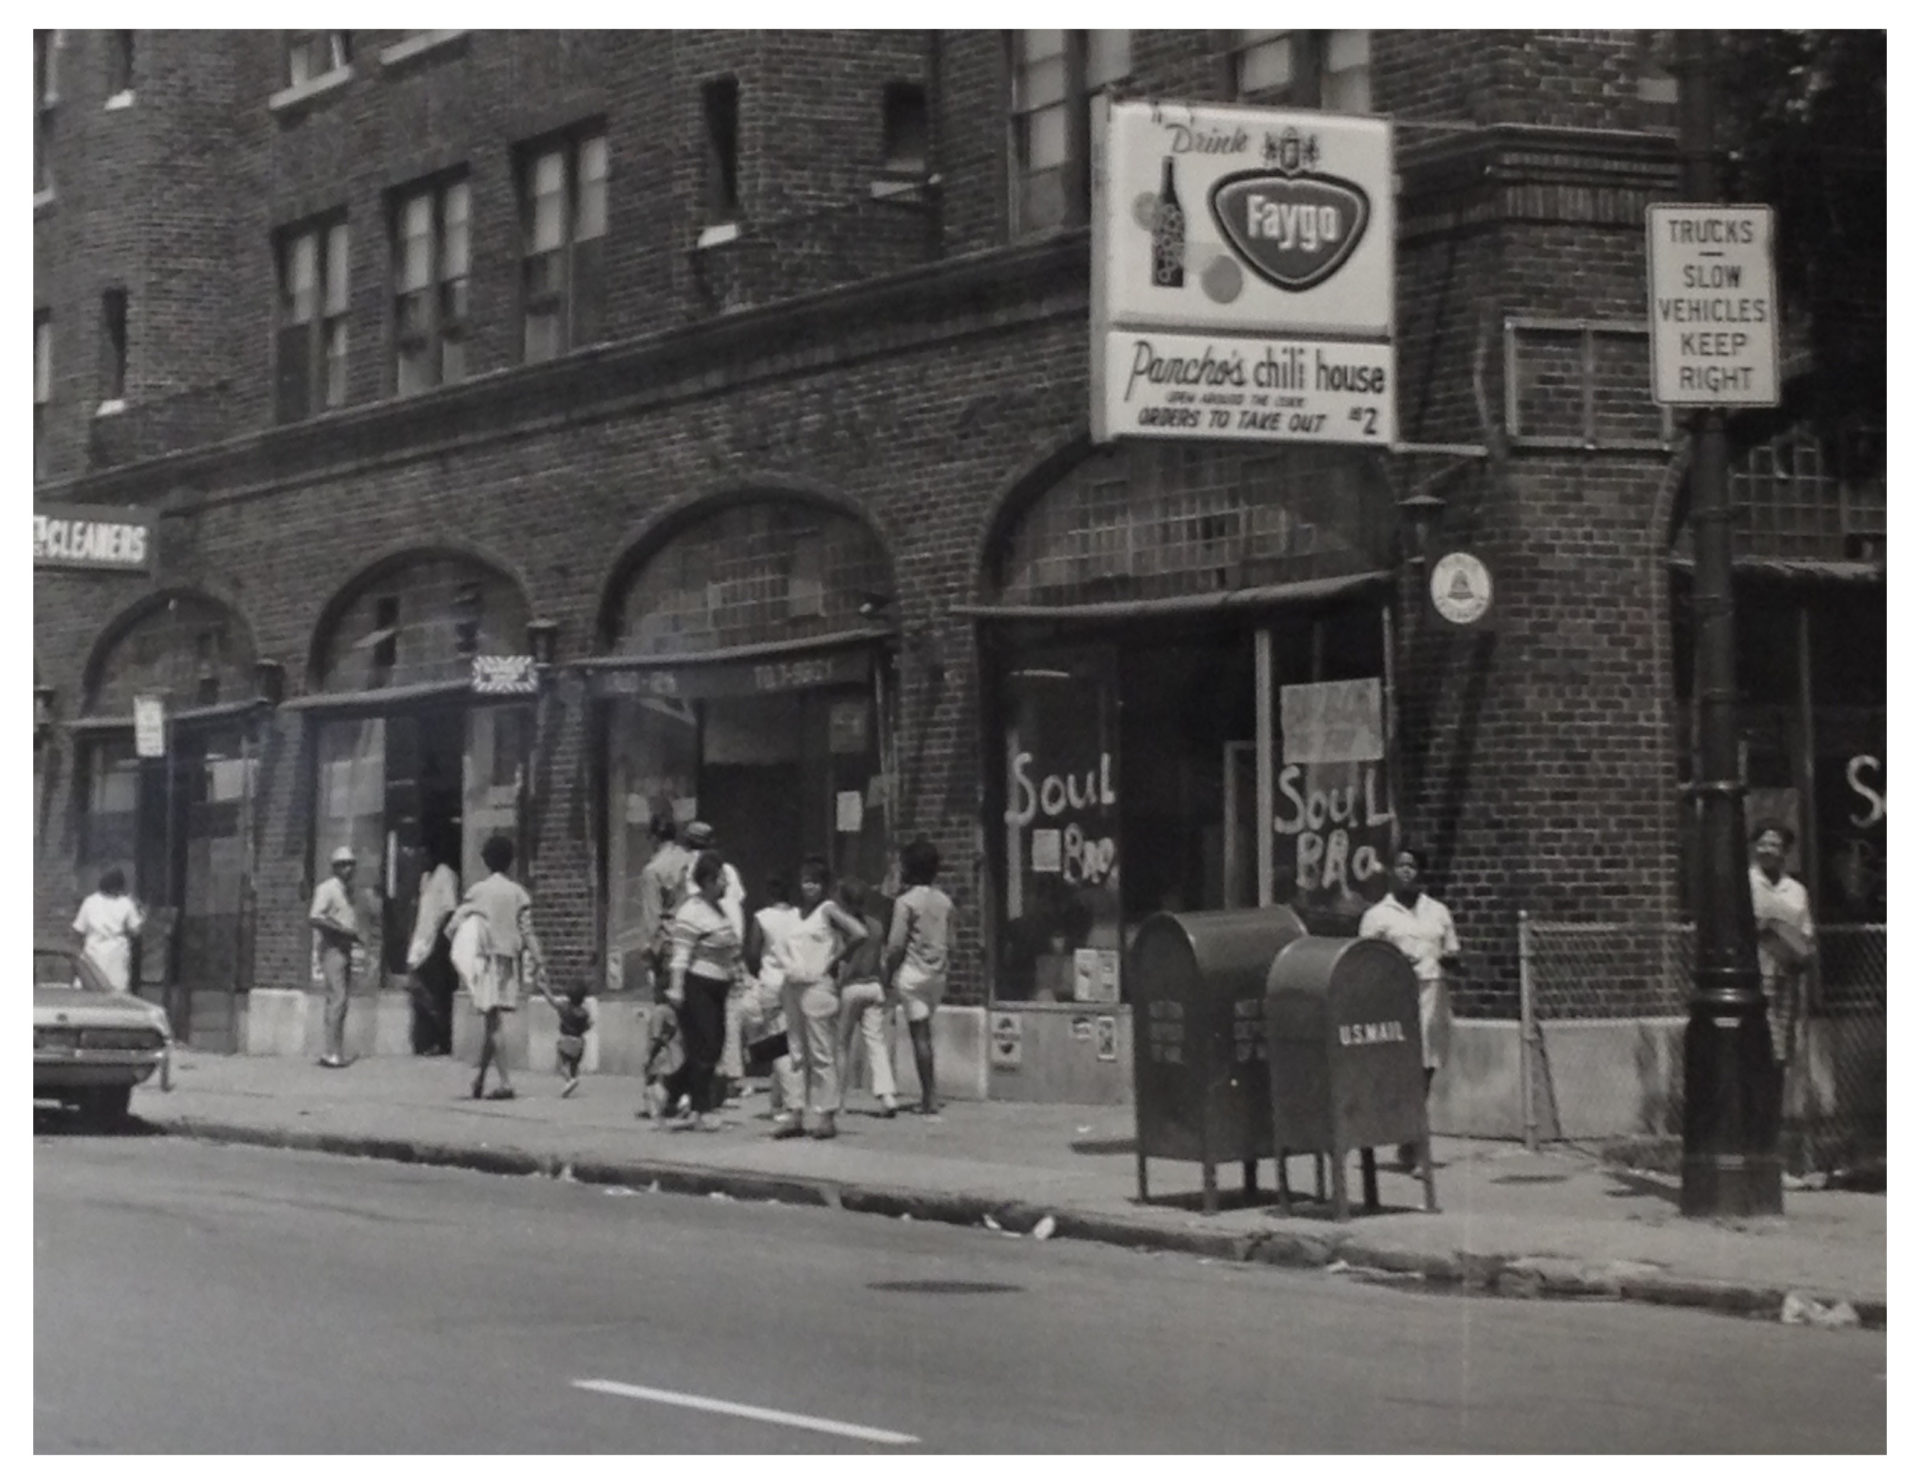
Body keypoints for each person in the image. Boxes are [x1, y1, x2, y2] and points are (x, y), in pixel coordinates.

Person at [1358, 846, 1460, 1171]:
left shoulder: (1438, 912)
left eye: (1413, 866)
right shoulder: (1377, 916)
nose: (1406, 872)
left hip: (1433, 995)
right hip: (1395, 998)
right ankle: (1413, 1142)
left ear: (1422, 873)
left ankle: (1411, 1142)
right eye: (1400, 865)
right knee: (1404, 1069)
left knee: (1426, 1067)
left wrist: (1449, 959)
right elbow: (1366, 960)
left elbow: (1452, 950)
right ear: (1391, 871)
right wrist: (1394, 963)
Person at [771, 856, 867, 1140]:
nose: (808, 886)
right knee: (795, 1050)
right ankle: (795, 1111)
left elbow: (859, 933)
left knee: (821, 1051)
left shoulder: (827, 910)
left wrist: (835, 960)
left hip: (817, 986)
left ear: (824, 885)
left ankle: (826, 1115)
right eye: (805, 881)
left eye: (814, 881)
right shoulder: (794, 915)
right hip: (793, 985)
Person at [656, 848, 750, 1132]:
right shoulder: (691, 912)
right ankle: (700, 1108)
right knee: (705, 1047)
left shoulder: (720, 910)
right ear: (707, 881)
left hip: (720, 986)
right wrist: (676, 989)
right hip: (697, 986)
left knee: (713, 1046)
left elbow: (730, 949)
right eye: (720, 878)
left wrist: (739, 974)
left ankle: (670, 1087)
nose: (725, 883)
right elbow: (681, 955)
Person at [448, 833, 546, 1102]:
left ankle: (504, 1083)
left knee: (493, 1022)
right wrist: (538, 957)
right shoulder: (517, 893)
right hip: (507, 961)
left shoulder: (477, 891)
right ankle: (480, 1080)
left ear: (486, 861)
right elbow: (528, 931)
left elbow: (455, 923)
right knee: (494, 1021)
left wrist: (456, 939)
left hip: (485, 960)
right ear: (510, 861)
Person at [680, 820, 748, 1106]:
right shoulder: (715, 877)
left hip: (721, 966)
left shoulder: (692, 871)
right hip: (703, 971)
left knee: (714, 1036)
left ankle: (696, 1089)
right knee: (710, 1038)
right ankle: (712, 1090)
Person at [885, 837, 953, 1116]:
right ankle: (930, 1096)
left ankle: (929, 1096)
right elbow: (954, 941)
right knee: (926, 1033)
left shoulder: (905, 902)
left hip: (912, 974)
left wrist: (888, 972)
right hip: (937, 974)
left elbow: (896, 944)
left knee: (919, 1036)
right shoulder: (945, 901)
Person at [1750, 822, 1816, 1071]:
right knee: (1761, 1036)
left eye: (1775, 844)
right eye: (1763, 843)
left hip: (1789, 971)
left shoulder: (1797, 890)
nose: (1767, 850)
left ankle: (1778, 1098)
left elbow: (1806, 929)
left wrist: (1802, 950)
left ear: (1785, 851)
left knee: (1785, 1038)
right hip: (1757, 970)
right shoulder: (1747, 884)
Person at [835, 877, 899, 1118]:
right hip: (874, 985)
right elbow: (882, 959)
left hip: (850, 986)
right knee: (876, 1042)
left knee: (842, 1044)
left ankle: (839, 1099)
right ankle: (887, 1095)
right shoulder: (876, 926)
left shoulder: (843, 927)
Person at [744, 873, 803, 1121]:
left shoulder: (762, 918)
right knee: (791, 1040)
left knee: (779, 1047)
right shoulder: (800, 916)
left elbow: (752, 953)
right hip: (794, 982)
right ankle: (778, 1102)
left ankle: (791, 1104)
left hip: (770, 983)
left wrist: (760, 973)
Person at [308, 846, 364, 1069]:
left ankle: (334, 1049)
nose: (348, 869)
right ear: (334, 868)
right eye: (343, 865)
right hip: (332, 948)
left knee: (339, 1001)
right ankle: (331, 1052)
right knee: (337, 999)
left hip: (345, 948)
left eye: (351, 864)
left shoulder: (347, 891)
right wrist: (342, 930)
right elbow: (315, 917)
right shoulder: (328, 889)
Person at [405, 832, 460, 1056]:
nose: (421, 856)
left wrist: (440, 943)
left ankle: (441, 1039)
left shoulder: (445, 874)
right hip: (421, 942)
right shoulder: (426, 878)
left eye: (425, 852)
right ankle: (429, 1038)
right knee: (418, 989)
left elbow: (448, 910)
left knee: (434, 994)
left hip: (434, 945)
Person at [634, 815, 691, 998]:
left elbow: (652, 918)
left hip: (670, 944)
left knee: (667, 1007)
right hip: (695, 938)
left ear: (654, 837)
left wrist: (649, 960)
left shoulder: (653, 870)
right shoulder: (690, 860)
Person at [73, 867, 144, 995]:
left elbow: (78, 930)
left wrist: (79, 953)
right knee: (116, 989)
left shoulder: (90, 902)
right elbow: (136, 931)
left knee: (89, 989)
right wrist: (142, 914)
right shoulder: (126, 903)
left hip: (93, 951)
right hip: (117, 951)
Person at [540, 975, 595, 1098]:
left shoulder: (564, 1007)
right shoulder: (584, 1012)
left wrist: (545, 989)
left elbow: (552, 1001)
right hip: (580, 1043)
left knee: (560, 1064)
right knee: (574, 1064)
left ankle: (569, 1080)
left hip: (565, 1040)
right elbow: (589, 1025)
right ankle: (574, 1078)